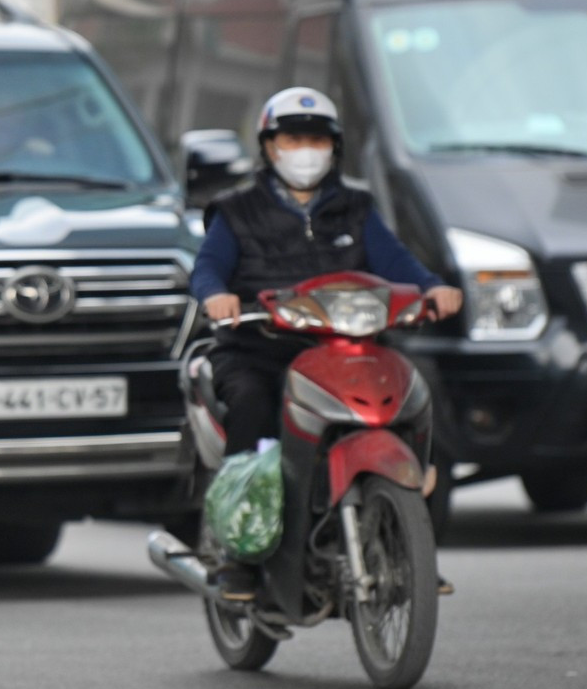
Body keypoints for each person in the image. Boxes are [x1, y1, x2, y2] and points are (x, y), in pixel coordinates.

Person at [190, 88, 462, 599]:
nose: (304, 150)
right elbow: (207, 268)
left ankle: (414, 546)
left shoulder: (357, 207)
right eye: (293, 138)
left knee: (415, 398)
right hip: (258, 349)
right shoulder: (235, 209)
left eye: (315, 139)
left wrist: (431, 288)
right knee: (250, 405)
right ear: (270, 146)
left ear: (334, 147)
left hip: (343, 351)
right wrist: (218, 296)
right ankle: (238, 553)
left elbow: (396, 261)